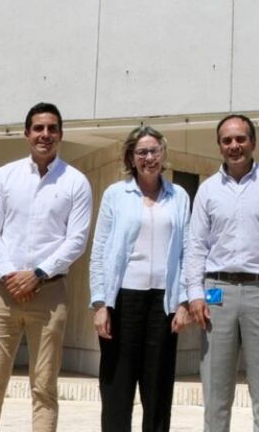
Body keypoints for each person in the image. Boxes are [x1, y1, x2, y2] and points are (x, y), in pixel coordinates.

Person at [180, 113, 259, 432]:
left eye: (240, 139)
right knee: (216, 390)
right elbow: (196, 247)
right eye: (227, 140)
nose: (234, 146)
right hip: (216, 293)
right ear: (220, 146)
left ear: (253, 142)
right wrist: (194, 294)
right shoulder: (207, 190)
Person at [0, 102, 93, 432]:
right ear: (27, 133)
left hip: (49, 292)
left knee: (44, 388)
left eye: (52, 128)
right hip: (2, 291)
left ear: (61, 134)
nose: (45, 135)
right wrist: (12, 274)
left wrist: (38, 274)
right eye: (38, 128)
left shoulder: (76, 182)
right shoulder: (5, 175)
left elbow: (77, 239)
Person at [89, 126, 191, 432]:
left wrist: (183, 302)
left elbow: (188, 251)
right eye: (142, 152)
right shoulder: (115, 195)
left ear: (163, 154)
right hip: (122, 300)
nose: (149, 157)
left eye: (155, 150)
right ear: (131, 158)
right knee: (117, 386)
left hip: (163, 303)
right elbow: (99, 252)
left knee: (158, 388)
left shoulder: (179, 196)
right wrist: (99, 304)